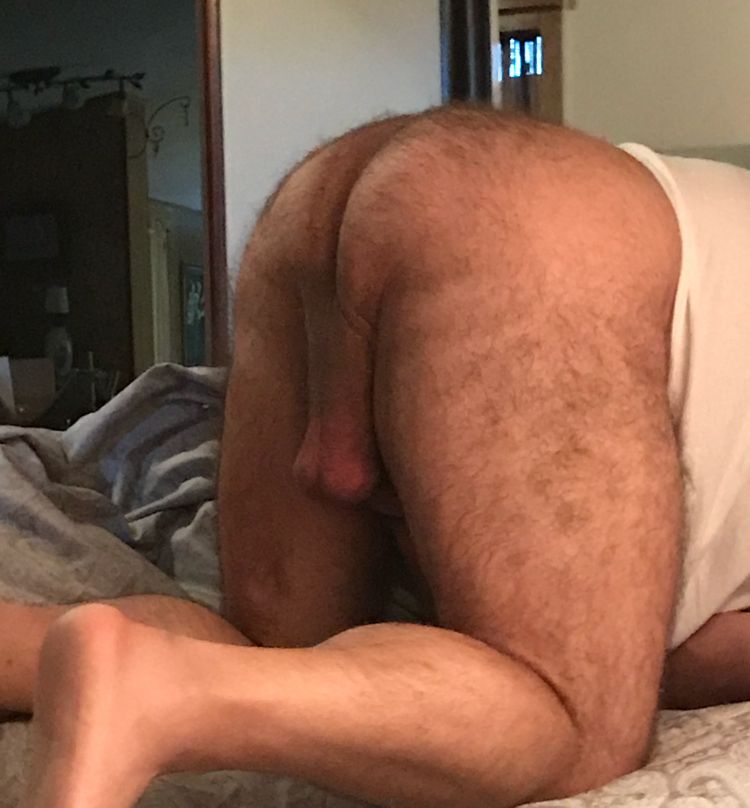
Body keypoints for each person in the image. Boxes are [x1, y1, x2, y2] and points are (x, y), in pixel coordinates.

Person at [16, 106, 750, 808]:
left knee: (271, 657)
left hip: (336, 194)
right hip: (533, 231)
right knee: (572, 721)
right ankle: (162, 690)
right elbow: (675, 660)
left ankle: (65, 658)